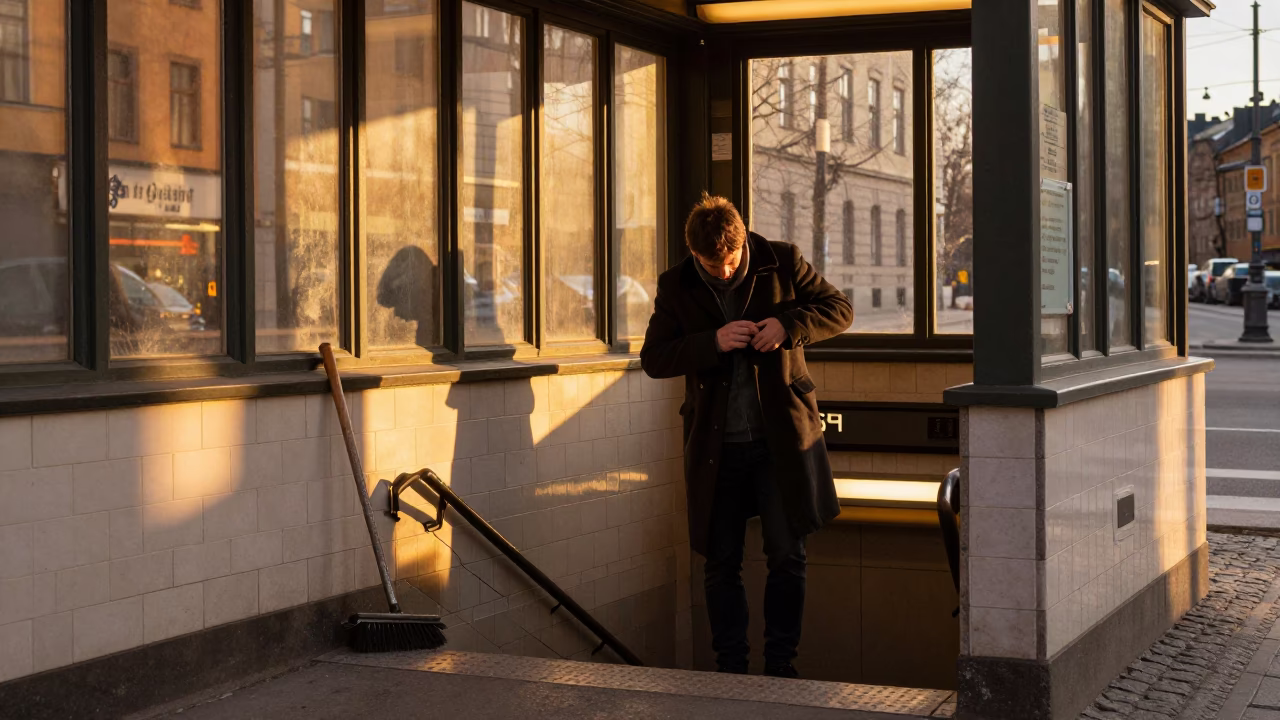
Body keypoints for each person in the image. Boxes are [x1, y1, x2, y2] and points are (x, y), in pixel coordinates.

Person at [640, 193, 853, 678]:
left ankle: (782, 668)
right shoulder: (676, 284)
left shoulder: (783, 260)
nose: (720, 272)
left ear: (743, 245)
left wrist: (788, 324)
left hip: (780, 443)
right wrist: (710, 343)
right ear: (694, 253)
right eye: (709, 264)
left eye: (729, 262)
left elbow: (840, 309)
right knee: (720, 563)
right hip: (716, 448)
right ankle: (730, 671)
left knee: (788, 556)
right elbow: (654, 358)